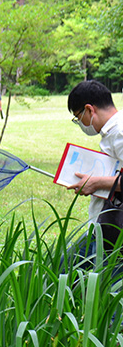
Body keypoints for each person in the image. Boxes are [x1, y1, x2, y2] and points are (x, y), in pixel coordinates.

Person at [66, 80, 123, 261]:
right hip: (105, 226)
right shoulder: (112, 131)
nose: (81, 124)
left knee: (66, 272)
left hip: (113, 230)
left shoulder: (119, 132)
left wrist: (96, 183)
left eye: (78, 117)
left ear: (90, 110)